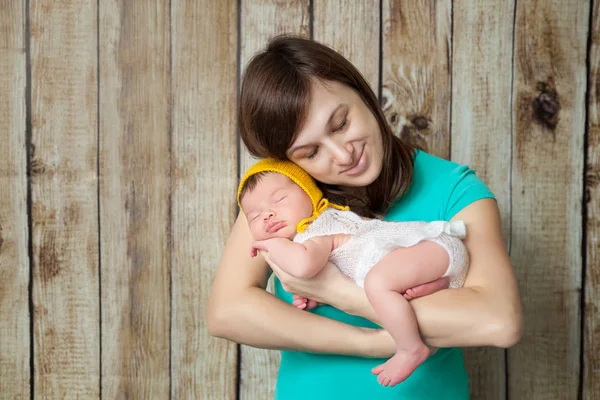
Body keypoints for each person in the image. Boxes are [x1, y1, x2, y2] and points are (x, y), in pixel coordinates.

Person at [207, 35, 523, 399]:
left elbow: (499, 321)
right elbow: (227, 311)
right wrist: (371, 343)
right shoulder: (284, 197)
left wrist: (337, 292)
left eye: (341, 124)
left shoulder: (454, 189)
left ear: (362, 92)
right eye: (310, 152)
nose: (342, 155)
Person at [237, 158, 471, 386]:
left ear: (309, 193)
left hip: (432, 246)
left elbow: (303, 267)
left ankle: (410, 348)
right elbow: (332, 275)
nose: (267, 215)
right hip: (432, 262)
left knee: (377, 284)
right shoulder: (311, 236)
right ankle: (437, 287)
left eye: (279, 200)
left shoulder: (316, 230)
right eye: (254, 216)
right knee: (394, 291)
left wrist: (275, 246)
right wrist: (312, 296)